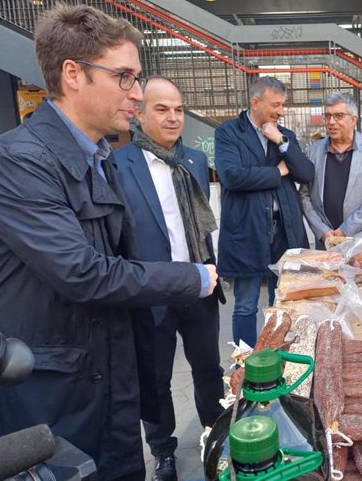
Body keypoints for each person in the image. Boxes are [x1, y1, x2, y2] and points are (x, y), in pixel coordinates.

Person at [0, 4, 218, 481]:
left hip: (107, 379)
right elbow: (83, 273)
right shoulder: (19, 161)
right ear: (73, 74)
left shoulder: (99, 157)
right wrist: (192, 275)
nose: (135, 94)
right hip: (50, 393)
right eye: (125, 77)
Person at [114, 77, 225, 481]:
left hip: (198, 286)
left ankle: (215, 432)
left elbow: (199, 224)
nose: (173, 117)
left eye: (178, 109)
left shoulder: (194, 159)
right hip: (152, 292)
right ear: (139, 115)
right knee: (156, 377)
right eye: (162, 109)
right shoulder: (118, 164)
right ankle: (163, 451)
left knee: (208, 367)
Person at [215, 76, 314, 347]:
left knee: (281, 301)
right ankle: (246, 360)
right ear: (255, 102)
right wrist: (277, 172)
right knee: (245, 304)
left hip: (284, 230)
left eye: (283, 105)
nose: (280, 111)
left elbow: (305, 173)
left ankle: (277, 355)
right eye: (275, 105)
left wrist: (281, 142)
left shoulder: (285, 135)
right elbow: (232, 177)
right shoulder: (228, 133)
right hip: (246, 230)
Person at [300, 92, 362, 246]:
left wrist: (345, 230)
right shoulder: (313, 151)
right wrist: (322, 232)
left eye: (339, 116)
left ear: (353, 120)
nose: (331, 122)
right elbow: (304, 195)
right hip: (327, 241)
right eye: (327, 116)